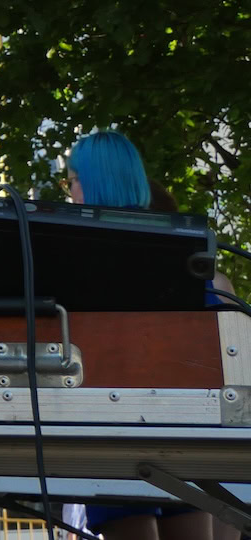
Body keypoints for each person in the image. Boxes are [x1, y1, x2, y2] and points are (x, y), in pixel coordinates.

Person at [67, 131, 237, 540]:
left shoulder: (78, 255)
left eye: (72, 179)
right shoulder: (183, 249)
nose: (69, 192)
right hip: (188, 427)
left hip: (116, 422)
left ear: (94, 181)